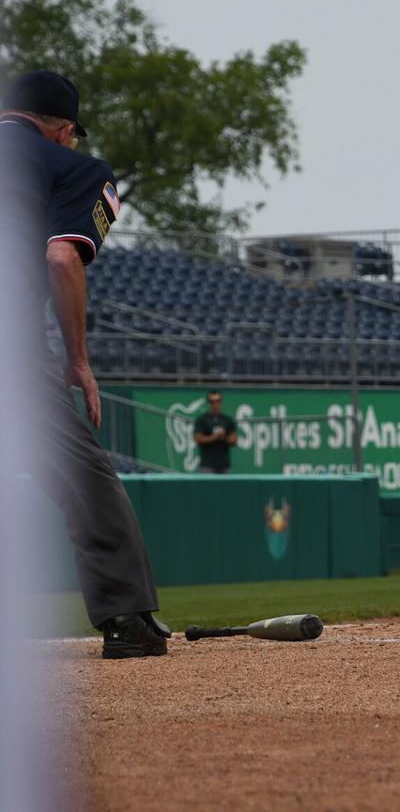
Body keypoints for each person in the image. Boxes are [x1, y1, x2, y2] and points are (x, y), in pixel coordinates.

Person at [0, 70, 168, 657]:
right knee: (85, 479)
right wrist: (79, 361)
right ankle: (128, 619)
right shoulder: (73, 167)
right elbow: (62, 258)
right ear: (63, 129)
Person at [193, 389, 238, 473]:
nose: (215, 404)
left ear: (221, 402)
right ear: (208, 403)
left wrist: (223, 437)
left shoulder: (227, 420)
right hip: (207, 466)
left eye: (218, 401)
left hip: (224, 466)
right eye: (212, 401)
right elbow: (197, 438)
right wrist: (214, 437)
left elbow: (234, 440)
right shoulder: (202, 419)